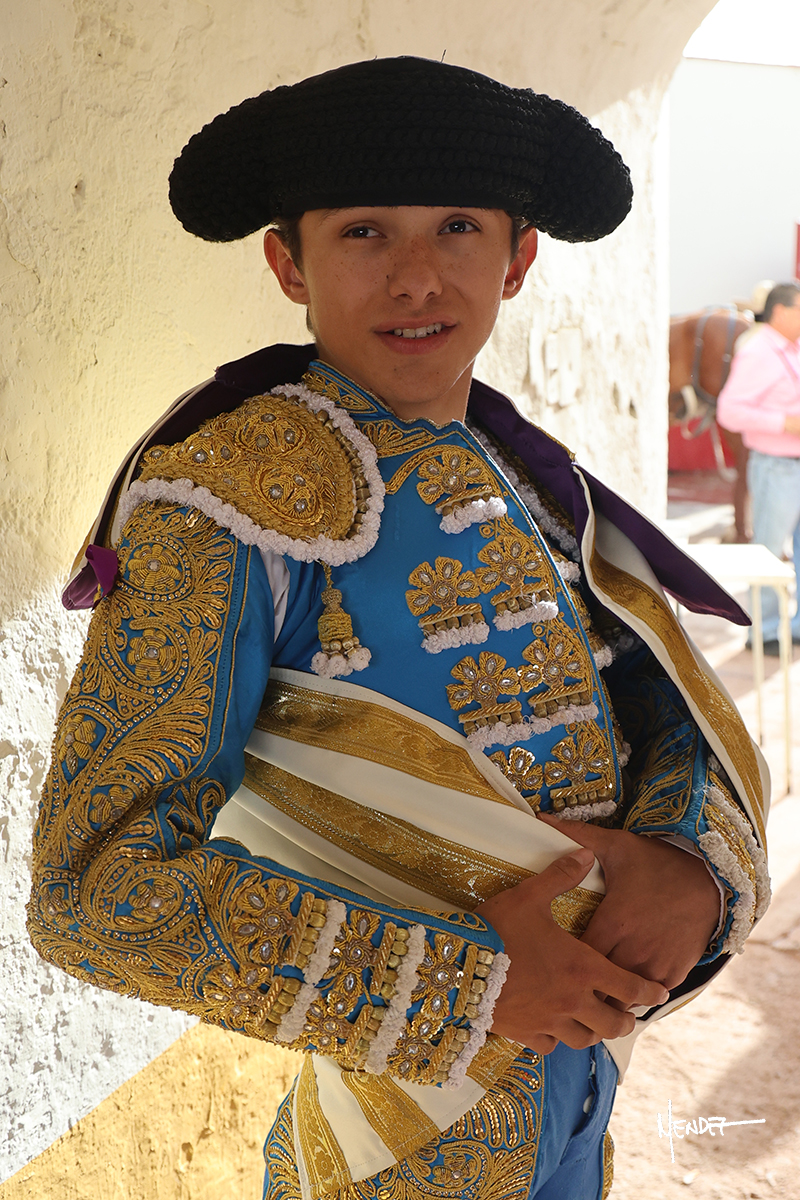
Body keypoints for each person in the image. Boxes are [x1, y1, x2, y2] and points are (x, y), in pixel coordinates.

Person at [27, 57, 769, 1200]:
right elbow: (93, 890)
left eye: (457, 228)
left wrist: (690, 866)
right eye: (364, 232)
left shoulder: (522, 475)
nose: (416, 278)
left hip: (581, 1085)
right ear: (289, 264)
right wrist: (468, 992)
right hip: (396, 1134)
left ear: (516, 260)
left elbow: (666, 710)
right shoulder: (220, 499)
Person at [718, 281, 800, 654]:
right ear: (781, 311)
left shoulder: (790, 348)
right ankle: (764, 632)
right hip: (777, 467)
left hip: (791, 464)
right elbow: (729, 411)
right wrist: (784, 423)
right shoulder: (759, 352)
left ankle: (794, 627)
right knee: (768, 552)